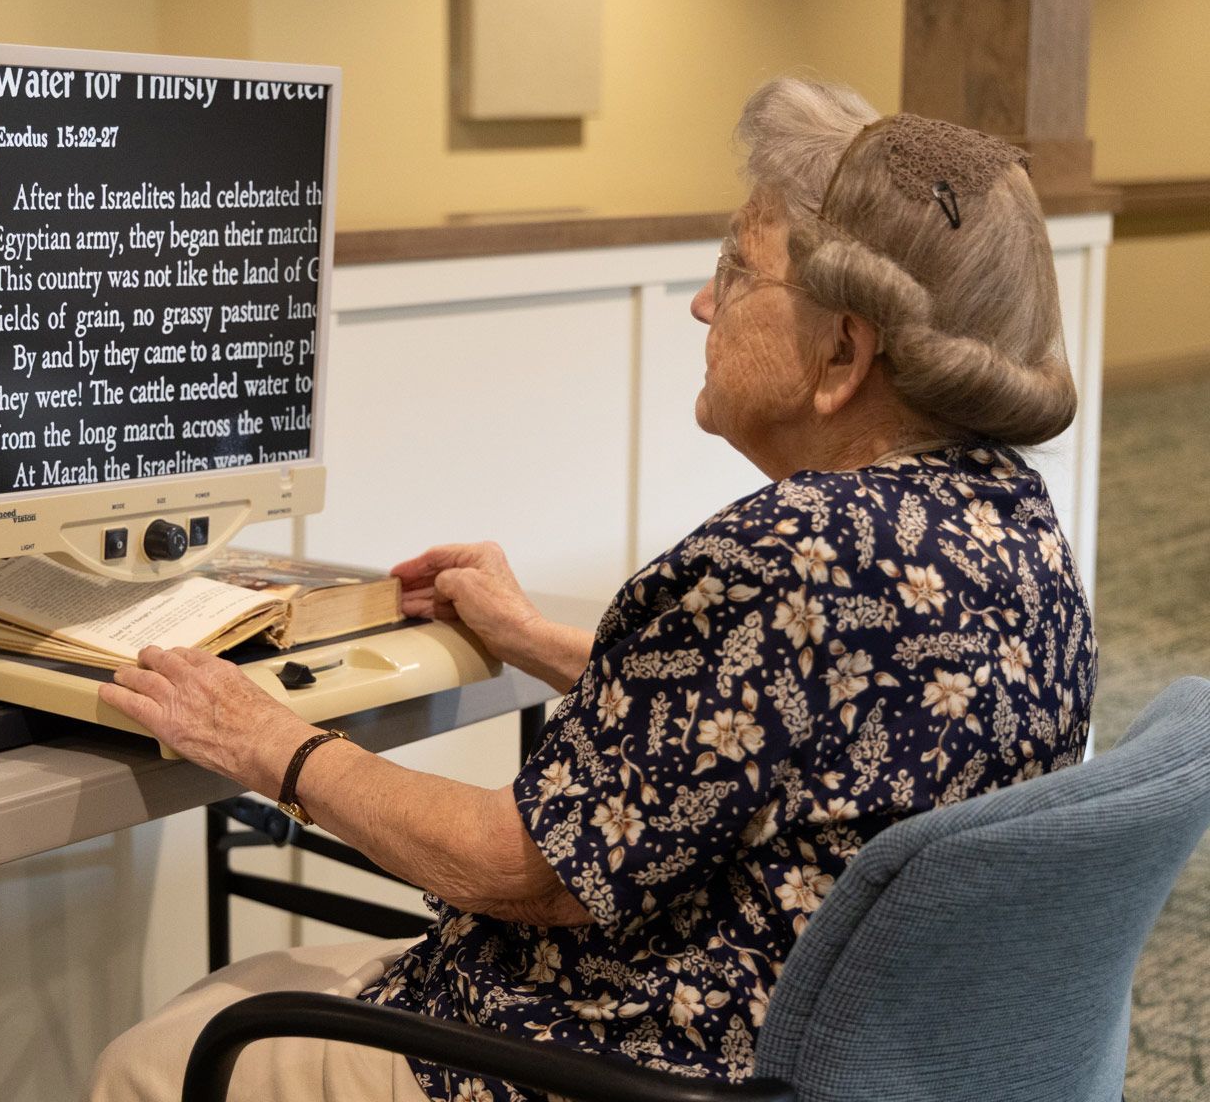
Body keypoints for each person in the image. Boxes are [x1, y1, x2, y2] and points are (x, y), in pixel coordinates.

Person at [86, 78, 1096, 1101]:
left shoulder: (792, 550)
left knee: (157, 1058)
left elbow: (515, 867)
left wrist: (267, 743)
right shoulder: (1005, 519)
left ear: (842, 351)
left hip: (627, 1065)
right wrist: (529, 635)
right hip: (859, 1058)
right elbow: (768, 729)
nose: (705, 304)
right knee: (246, 989)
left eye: (736, 272)